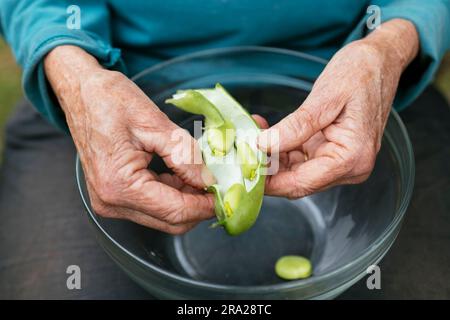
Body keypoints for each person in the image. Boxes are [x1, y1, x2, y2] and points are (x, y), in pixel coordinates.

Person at [0, 1, 449, 299]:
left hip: (357, 79)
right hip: (111, 88)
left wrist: (391, 44)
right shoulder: (92, 86)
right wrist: (75, 74)